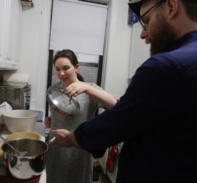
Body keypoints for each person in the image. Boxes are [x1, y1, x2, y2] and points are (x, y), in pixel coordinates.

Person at [51, 0, 197, 182]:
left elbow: (118, 116)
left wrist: (74, 138)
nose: (142, 34)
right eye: (57, 69)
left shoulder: (164, 66)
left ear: (171, 7)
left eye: (146, 20)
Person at [45, 49, 116, 183]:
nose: (61, 73)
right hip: (56, 150)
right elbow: (57, 113)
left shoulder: (89, 89)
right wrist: (50, 120)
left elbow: (115, 105)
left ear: (76, 68)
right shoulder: (54, 90)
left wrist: (87, 88)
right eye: (58, 69)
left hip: (79, 151)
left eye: (66, 68)